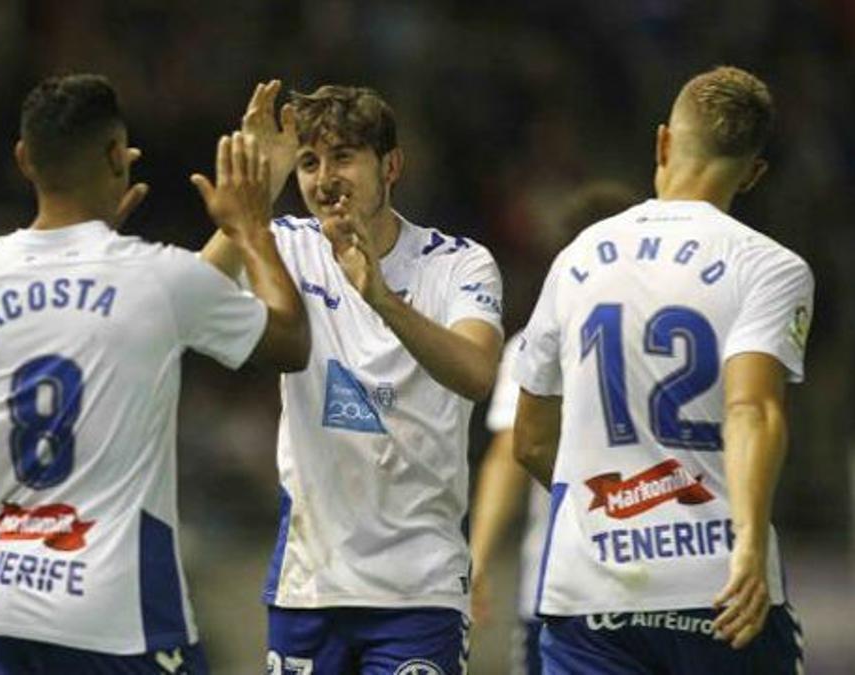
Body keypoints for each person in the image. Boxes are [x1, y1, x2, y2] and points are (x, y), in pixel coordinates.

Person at [0, 73, 308, 674]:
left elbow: (120, 308)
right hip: (121, 614)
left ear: (24, 159)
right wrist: (252, 221)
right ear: (118, 156)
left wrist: (101, 247)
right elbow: (289, 340)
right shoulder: (153, 280)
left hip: (13, 605)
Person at [513, 66, 812, 674]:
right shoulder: (771, 267)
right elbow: (752, 407)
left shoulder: (574, 259)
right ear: (753, 173)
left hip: (591, 590)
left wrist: (619, 508)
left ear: (663, 143)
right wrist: (749, 544)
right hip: (720, 588)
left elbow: (531, 440)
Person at [201, 81, 504, 674]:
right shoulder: (285, 246)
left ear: (390, 165)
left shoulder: (459, 262)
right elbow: (185, 303)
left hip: (419, 589)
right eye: (309, 163)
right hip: (311, 585)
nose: (323, 178)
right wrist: (260, 188)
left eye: (343, 157)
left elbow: (475, 372)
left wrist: (382, 299)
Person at [468, 181, 638, 675]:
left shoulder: (534, 343)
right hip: (673, 573)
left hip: (564, 582)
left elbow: (512, 451)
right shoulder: (691, 334)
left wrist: (478, 556)